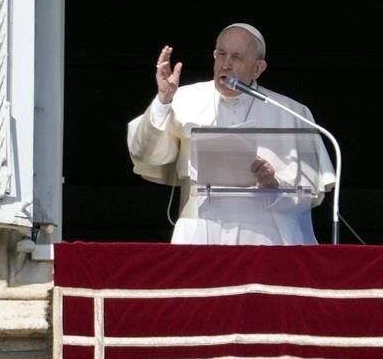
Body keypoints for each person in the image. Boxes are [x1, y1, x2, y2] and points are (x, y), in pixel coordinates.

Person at [127, 23, 335, 245]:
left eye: (237, 57)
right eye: (221, 54)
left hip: (267, 236)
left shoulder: (291, 112)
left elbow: (311, 194)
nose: (225, 65)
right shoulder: (183, 99)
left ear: (257, 68)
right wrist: (163, 100)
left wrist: (273, 184)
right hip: (200, 232)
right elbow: (147, 154)